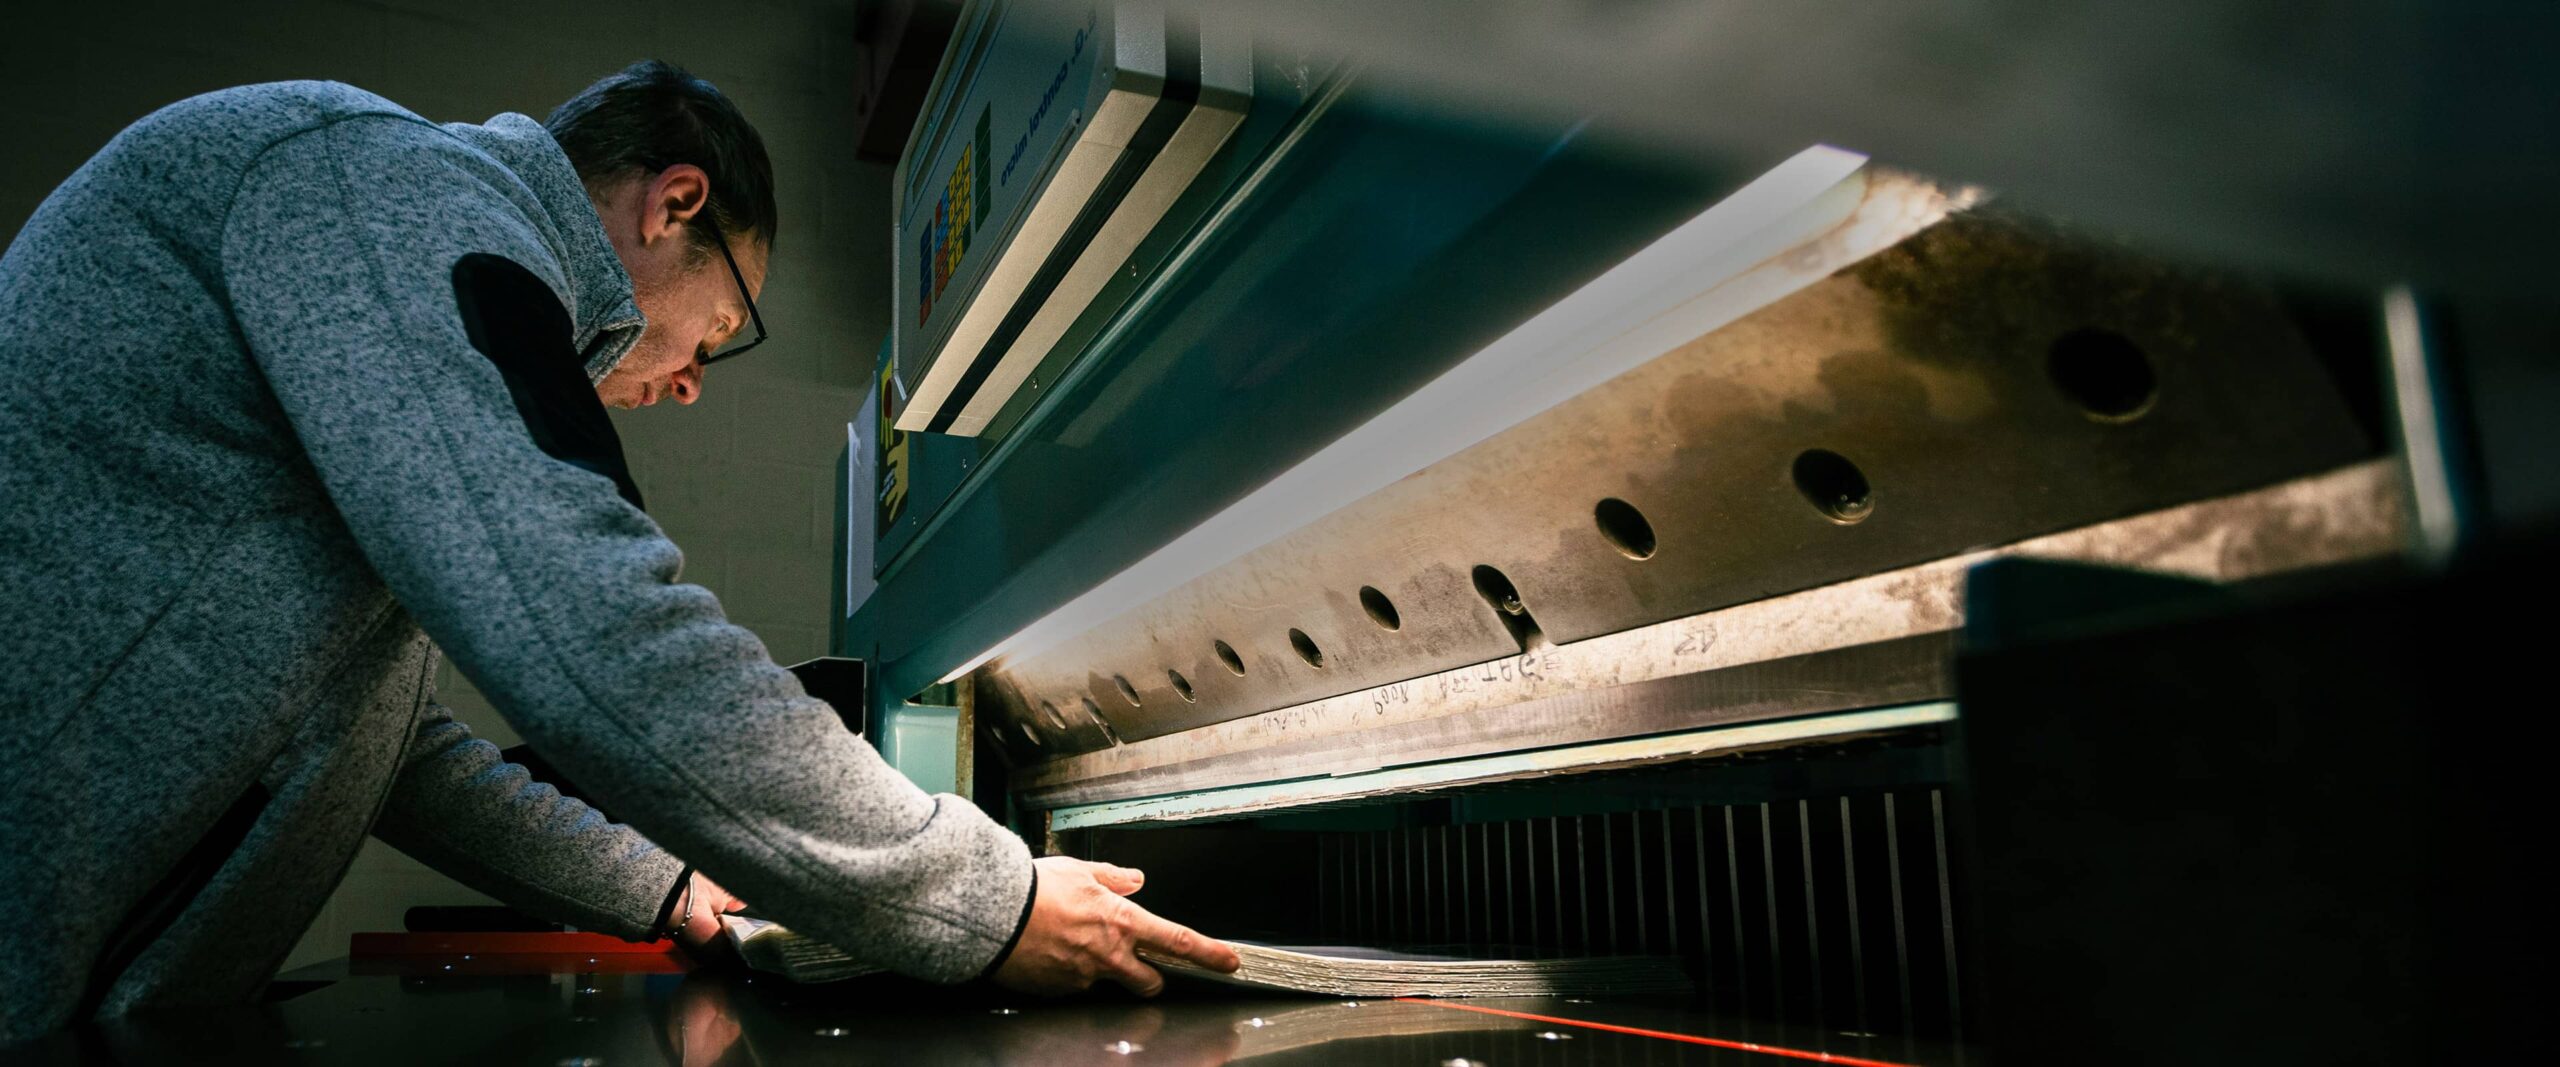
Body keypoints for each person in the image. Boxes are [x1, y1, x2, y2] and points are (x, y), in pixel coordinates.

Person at [0, 60, 1235, 1045]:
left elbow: (391, 746)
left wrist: (663, 886)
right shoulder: (389, 190)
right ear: (674, 202)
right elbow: (591, 617)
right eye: (719, 328)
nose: (692, 381)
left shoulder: (400, 255)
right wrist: (985, 894)